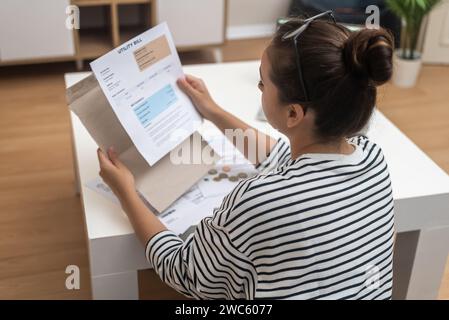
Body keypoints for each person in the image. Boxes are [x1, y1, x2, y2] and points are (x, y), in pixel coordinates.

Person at [97, 12, 395, 299]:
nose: (259, 88)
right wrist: (212, 110)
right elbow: (283, 157)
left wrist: (126, 194)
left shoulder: (261, 198)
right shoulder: (372, 158)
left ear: (293, 113)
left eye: (263, 83)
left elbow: (185, 271)